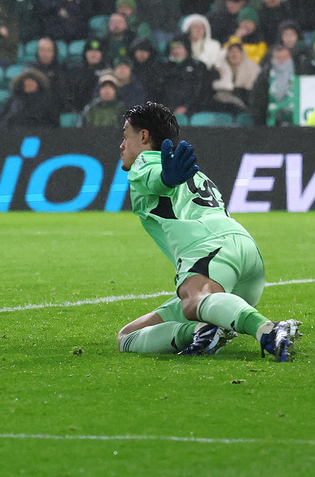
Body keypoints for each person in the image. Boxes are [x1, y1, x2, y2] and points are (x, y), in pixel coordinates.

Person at [116, 103, 300, 361]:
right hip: (244, 256)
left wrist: (166, 179)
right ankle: (202, 332)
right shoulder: (194, 173)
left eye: (125, 135)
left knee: (194, 302)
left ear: (144, 136)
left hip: (208, 251)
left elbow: (153, 176)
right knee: (128, 336)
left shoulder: (147, 161)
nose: (122, 145)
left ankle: (268, 329)